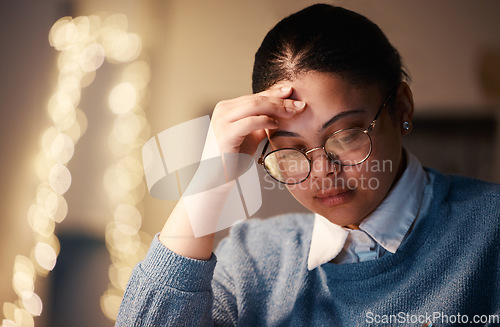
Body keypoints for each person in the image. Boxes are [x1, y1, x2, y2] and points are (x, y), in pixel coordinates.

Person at [116, 4, 500, 326]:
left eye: (346, 136)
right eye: (291, 152)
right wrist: (208, 181)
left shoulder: (489, 229)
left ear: (401, 106)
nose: (322, 172)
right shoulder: (254, 260)